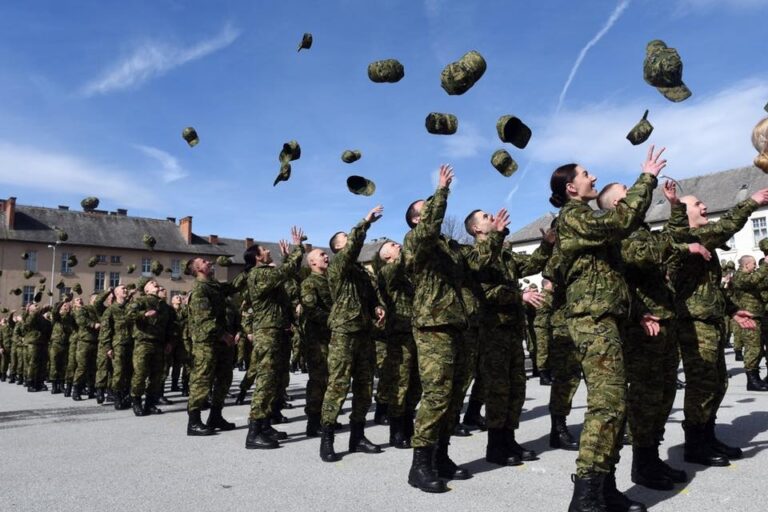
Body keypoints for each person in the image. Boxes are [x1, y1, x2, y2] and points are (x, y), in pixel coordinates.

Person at [549, 146, 667, 512]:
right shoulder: (572, 217)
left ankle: (605, 487)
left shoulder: (587, 226)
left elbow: (612, 281)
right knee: (606, 405)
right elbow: (619, 221)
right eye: (586, 174)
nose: (593, 178)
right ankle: (585, 496)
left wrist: (639, 313)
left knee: (614, 406)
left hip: (609, 318)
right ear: (571, 188)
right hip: (592, 322)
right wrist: (646, 178)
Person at [597, 179, 708, 490]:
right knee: (646, 398)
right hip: (642, 326)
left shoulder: (640, 229)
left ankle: (651, 457)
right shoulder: (620, 233)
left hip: (664, 319)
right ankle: (641, 466)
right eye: (627, 195)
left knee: (662, 395)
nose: (636, 197)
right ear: (619, 205)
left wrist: (674, 209)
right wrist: (685, 245)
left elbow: (665, 244)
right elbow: (647, 255)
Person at [671, 189, 768, 466]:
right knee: (701, 385)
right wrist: (751, 202)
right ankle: (695, 444)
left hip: (711, 321)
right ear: (683, 213)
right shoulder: (685, 238)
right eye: (698, 204)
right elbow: (726, 226)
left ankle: (708, 435)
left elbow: (711, 288)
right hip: (693, 324)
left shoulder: (706, 245)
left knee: (718, 383)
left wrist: (733, 310)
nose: (705, 206)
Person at [463, 207, 552, 466]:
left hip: (513, 329)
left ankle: (509, 439)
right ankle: (495, 446)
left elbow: (531, 265)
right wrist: (518, 296)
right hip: (492, 331)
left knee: (516, 388)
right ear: (476, 229)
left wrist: (546, 246)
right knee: (498, 390)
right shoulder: (472, 255)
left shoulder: (503, 254)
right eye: (487, 218)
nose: (493, 218)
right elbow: (483, 290)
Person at [403, 164, 470, 493]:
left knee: (454, 396)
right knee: (436, 395)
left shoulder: (448, 245)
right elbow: (429, 229)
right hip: (431, 325)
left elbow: (478, 264)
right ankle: (420, 466)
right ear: (416, 218)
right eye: (425, 208)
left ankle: (441, 456)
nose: (432, 209)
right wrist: (442, 191)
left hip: (455, 322)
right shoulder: (417, 239)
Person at [319, 208, 386, 461]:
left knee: (364, 387)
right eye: (345, 238)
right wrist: (365, 223)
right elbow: (353, 246)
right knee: (337, 385)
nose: (351, 240)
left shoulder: (361, 273)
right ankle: (327, 438)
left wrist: (378, 307)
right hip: (344, 331)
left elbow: (372, 296)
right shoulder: (338, 266)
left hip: (365, 332)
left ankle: (357, 436)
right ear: (338, 247)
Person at [244, 228, 305, 449]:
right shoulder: (258, 274)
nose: (268, 251)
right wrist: (298, 248)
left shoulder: (267, 275)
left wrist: (291, 257)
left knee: (275, 382)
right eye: (264, 250)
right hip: (267, 333)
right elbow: (285, 271)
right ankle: (253, 433)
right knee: (265, 382)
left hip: (277, 331)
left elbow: (289, 276)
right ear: (258, 257)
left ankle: (265, 425)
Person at [185, 256, 238, 436]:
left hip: (220, 342)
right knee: (202, 380)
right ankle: (193, 422)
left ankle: (215, 416)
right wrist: (224, 335)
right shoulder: (199, 289)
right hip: (206, 342)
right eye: (204, 261)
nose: (209, 262)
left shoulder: (214, 286)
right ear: (198, 268)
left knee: (224, 379)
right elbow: (204, 319)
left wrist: (249, 268)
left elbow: (233, 286)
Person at [376, 240, 421, 449]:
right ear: (387, 256)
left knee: (416, 383)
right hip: (399, 334)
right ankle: (396, 431)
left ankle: (408, 425)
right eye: (394, 245)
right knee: (400, 384)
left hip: (415, 332)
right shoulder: (387, 271)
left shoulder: (406, 272)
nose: (399, 245)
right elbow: (401, 264)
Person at [128, 279, 174, 416]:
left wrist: (170, 342)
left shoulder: (165, 306)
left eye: (155, 282)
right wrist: (144, 314)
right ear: (146, 290)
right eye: (151, 283)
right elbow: (128, 316)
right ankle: (136, 401)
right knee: (140, 374)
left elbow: (171, 326)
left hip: (159, 343)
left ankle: (150, 403)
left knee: (156, 376)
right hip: (144, 342)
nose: (155, 283)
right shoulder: (141, 301)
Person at [300, 248, 333, 437]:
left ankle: (325, 418)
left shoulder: (330, 281)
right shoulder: (309, 283)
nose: (326, 256)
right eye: (322, 255)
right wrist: (335, 320)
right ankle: (313, 422)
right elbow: (311, 310)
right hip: (317, 339)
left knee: (330, 380)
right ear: (312, 262)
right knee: (318, 380)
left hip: (331, 337)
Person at [731, 255, 768, 391]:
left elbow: (761, 283)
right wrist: (765, 265)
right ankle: (751, 381)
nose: (755, 266)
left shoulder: (750, 275)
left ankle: (756, 378)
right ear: (746, 265)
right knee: (753, 349)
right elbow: (753, 280)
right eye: (753, 263)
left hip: (757, 316)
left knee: (758, 349)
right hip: (747, 318)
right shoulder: (740, 277)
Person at [101, 285, 135, 410]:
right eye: (123, 289)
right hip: (118, 345)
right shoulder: (110, 310)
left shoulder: (130, 308)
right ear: (116, 293)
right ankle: (117, 397)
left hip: (132, 344)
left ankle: (127, 395)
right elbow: (105, 330)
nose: (126, 290)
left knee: (130, 371)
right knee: (119, 372)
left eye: (126, 288)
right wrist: (108, 347)